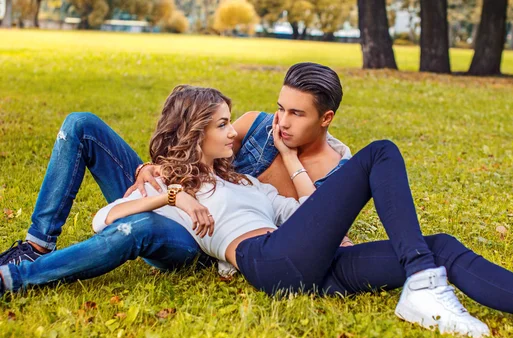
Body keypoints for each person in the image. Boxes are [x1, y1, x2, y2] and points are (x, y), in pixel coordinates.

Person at [3, 85, 513, 338]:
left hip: (316, 264)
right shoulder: (182, 191)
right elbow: (109, 222)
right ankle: (422, 285)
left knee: (438, 243)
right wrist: (170, 194)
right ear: (195, 135)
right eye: (220, 126)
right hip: (269, 263)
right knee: (382, 154)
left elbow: (315, 212)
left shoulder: (247, 183)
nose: (233, 135)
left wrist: (289, 156)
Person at [0, 62, 353, 271]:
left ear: (326, 119)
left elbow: (322, 229)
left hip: (201, 237)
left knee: (139, 226)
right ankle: (36, 246)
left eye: (297, 113)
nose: (283, 122)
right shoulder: (257, 125)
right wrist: (153, 170)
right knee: (82, 125)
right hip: (173, 196)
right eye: (282, 108)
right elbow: (199, 145)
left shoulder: (338, 171)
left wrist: (290, 160)